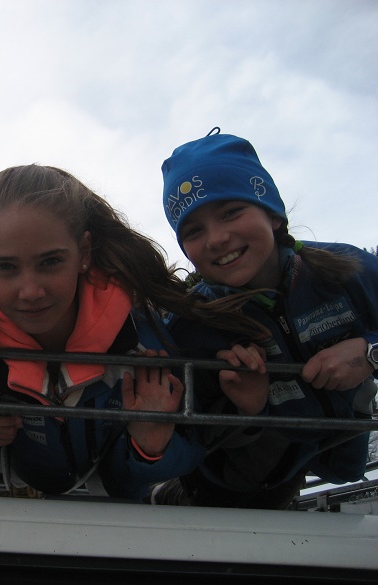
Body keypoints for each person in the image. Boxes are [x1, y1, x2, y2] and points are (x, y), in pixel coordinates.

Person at [0, 164, 265, 500]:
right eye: (5, 267)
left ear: (84, 253)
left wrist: (151, 446)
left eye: (50, 262)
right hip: (22, 506)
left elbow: (197, 445)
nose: (31, 291)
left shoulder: (142, 342)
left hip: (123, 509)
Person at [155, 127, 378, 508]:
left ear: (273, 215)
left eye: (231, 212)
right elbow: (182, 433)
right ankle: (167, 499)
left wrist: (370, 353)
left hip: (338, 455)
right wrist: (246, 410)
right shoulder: (192, 324)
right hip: (228, 486)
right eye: (193, 230)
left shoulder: (348, 270)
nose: (216, 238)